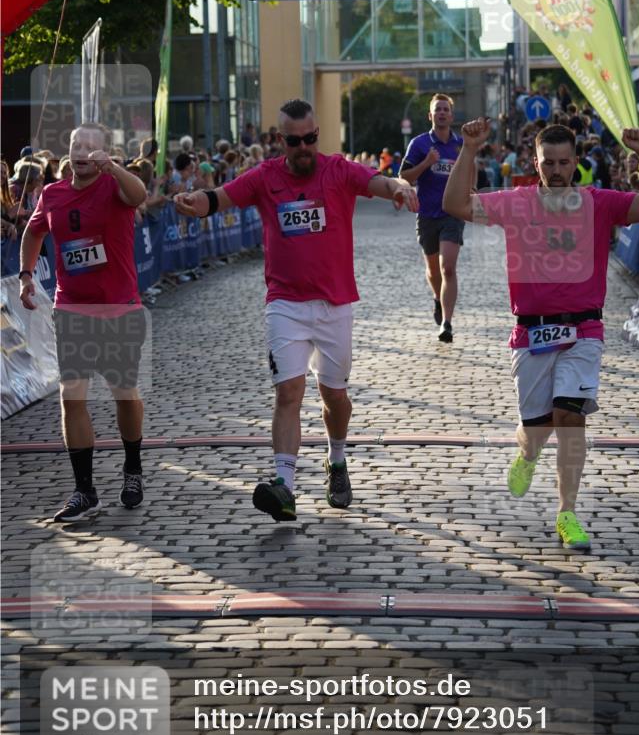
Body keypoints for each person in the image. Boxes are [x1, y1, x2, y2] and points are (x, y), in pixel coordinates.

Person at [175, 98, 418, 522]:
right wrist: (197, 202)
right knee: (288, 391)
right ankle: (284, 486)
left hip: (335, 303)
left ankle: (336, 459)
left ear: (316, 135)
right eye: (294, 141)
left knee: (335, 397)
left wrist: (400, 188)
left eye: (310, 139)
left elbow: (378, 182)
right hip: (285, 304)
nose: (303, 147)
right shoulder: (265, 177)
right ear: (280, 140)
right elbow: (219, 198)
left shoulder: (338, 170)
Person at [444, 121, 639, 551]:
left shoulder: (598, 203)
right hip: (532, 333)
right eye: (550, 163)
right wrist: (469, 150)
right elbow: (455, 204)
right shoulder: (515, 202)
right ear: (536, 164)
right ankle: (527, 453)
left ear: (576, 163)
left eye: (565, 162)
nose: (558, 170)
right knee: (539, 426)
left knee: (570, 416)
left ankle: (567, 512)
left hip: (585, 327)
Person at [19, 122, 148, 523]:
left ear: (103, 152)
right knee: (71, 397)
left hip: (119, 307)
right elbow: (32, 232)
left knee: (123, 392)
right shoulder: (53, 194)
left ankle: (132, 468)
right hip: (71, 308)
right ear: (68, 150)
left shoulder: (114, 186)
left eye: (91, 147)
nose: (83, 152)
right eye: (77, 145)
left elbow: (139, 194)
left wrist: (113, 168)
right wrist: (26, 277)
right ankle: (84, 490)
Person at [399, 93, 466, 342]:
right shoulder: (419, 144)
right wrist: (427, 162)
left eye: (445, 109)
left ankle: (446, 323)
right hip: (427, 214)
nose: (441, 113)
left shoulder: (460, 145)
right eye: (437, 109)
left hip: (452, 213)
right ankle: (438, 299)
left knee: (448, 267)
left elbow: (471, 174)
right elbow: (405, 176)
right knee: (433, 269)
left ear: (451, 115)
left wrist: (470, 194)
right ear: (430, 115)